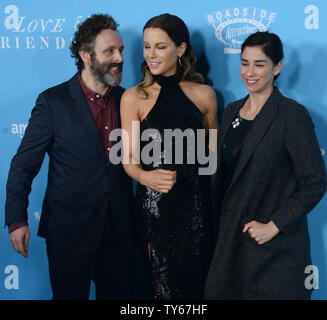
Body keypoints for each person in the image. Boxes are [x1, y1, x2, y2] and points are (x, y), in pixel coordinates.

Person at [5, 14, 136, 300]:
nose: (119, 58)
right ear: (86, 56)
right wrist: (17, 219)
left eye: (121, 50)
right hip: (69, 231)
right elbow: (23, 165)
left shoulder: (129, 100)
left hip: (119, 232)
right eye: (109, 51)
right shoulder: (53, 102)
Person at [205, 31, 326, 300]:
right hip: (230, 246)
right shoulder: (231, 111)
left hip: (274, 253)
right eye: (244, 62)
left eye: (259, 64)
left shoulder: (291, 115)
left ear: (277, 67)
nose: (250, 72)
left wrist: (273, 225)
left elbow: (315, 182)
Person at [120, 13, 218, 300]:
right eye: (147, 46)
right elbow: (128, 159)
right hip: (156, 212)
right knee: (159, 292)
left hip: (197, 211)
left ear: (181, 49)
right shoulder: (133, 97)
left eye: (160, 46)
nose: (151, 54)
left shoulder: (205, 95)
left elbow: (212, 156)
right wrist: (145, 176)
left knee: (196, 292)